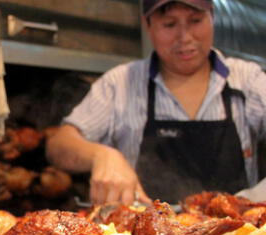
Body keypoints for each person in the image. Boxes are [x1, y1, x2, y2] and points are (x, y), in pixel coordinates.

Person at [45, 0, 266, 205]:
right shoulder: (120, 83)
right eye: (169, 24)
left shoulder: (247, 79)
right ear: (148, 26)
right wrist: (101, 155)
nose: (185, 37)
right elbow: (59, 146)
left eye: (196, 21)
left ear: (212, 17)